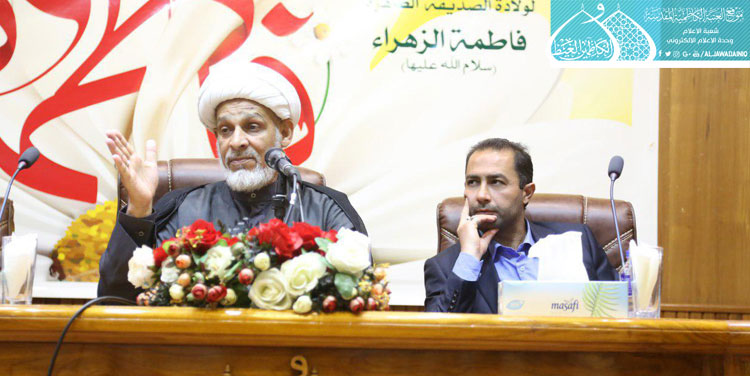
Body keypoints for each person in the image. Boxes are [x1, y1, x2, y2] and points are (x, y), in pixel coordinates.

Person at [99, 61, 366, 299]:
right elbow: (117, 297)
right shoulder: (182, 208)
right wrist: (139, 208)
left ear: (284, 133)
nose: (236, 142)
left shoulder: (327, 208)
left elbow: (360, 295)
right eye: (226, 130)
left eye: (252, 127)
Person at [424, 138, 617, 313]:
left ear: (527, 193)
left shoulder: (577, 243)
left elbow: (618, 309)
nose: (481, 195)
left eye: (496, 182)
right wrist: (469, 259)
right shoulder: (447, 267)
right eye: (473, 182)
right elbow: (437, 335)